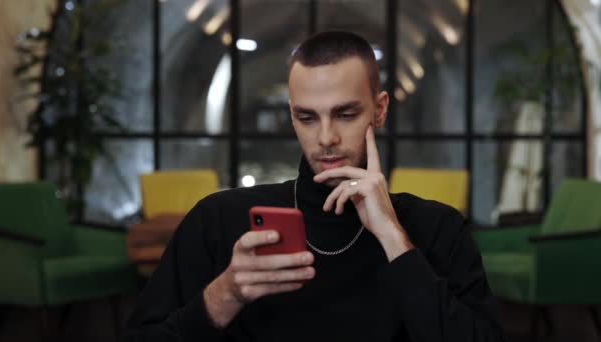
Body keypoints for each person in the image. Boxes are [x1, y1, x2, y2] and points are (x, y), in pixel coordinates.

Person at [123, 31, 506, 341]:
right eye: (307, 117)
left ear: (381, 109)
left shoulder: (436, 227)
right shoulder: (219, 219)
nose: (326, 137)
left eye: (345, 114)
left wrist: (393, 238)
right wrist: (226, 294)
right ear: (292, 115)